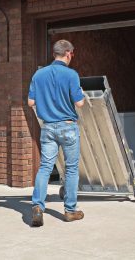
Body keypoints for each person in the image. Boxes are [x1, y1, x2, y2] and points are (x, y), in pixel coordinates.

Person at [28, 39, 85, 227]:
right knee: (71, 169)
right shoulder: (71, 75)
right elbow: (79, 103)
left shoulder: (38, 75)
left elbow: (31, 103)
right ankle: (70, 210)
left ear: (54, 54)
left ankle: (37, 206)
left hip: (48, 127)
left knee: (45, 167)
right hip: (68, 127)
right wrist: (80, 93)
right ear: (68, 53)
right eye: (72, 54)